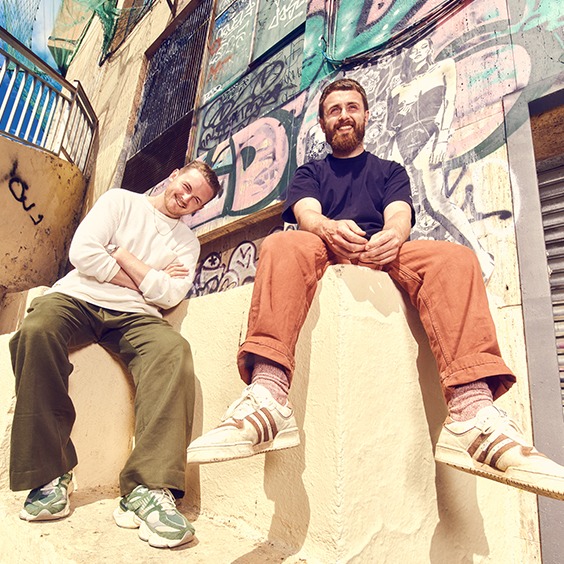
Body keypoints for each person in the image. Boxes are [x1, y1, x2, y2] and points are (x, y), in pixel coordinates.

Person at [186, 78, 564, 501]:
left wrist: (393, 235)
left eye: (352, 107)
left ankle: (472, 415)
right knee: (282, 244)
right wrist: (327, 228)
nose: (344, 115)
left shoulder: (389, 171)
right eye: (334, 110)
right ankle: (268, 398)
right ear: (323, 122)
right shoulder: (311, 172)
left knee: (455, 258)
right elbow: (307, 213)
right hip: (325, 247)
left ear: (366, 115)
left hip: (381, 252)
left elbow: (399, 214)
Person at [9, 160, 221, 548]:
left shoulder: (187, 244)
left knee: (173, 351)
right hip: (78, 297)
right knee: (36, 332)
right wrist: (146, 278)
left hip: (137, 316)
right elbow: (83, 253)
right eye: (186, 187)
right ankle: (50, 475)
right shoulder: (120, 201)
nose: (186, 199)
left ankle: (147, 489)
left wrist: (122, 255)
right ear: (175, 175)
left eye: (197, 200)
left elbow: (169, 296)